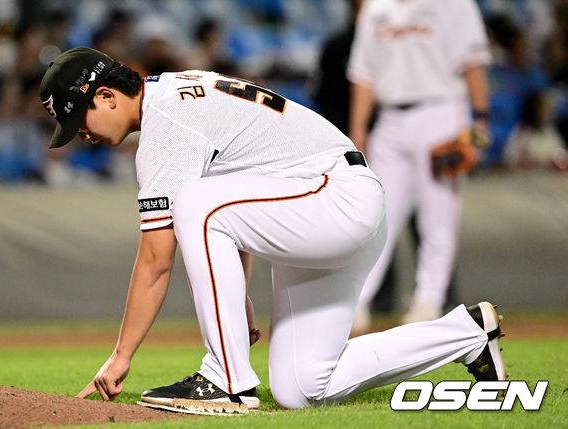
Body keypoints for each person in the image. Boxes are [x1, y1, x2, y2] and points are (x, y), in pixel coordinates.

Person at [39, 47, 506, 414]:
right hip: (329, 204)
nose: (81, 134)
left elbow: (157, 260)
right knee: (302, 386)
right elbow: (235, 198)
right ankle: (465, 334)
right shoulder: (177, 92)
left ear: (107, 96)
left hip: (333, 197)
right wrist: (237, 302)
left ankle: (225, 380)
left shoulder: (166, 122)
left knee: (194, 205)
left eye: (79, 119)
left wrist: (121, 356)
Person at [348, 0, 492, 328]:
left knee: (438, 217)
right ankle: (356, 301)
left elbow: (473, 63)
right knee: (376, 216)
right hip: (389, 118)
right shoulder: (375, 8)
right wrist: (358, 130)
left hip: (441, 113)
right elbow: (363, 74)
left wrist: (480, 123)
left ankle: (428, 302)